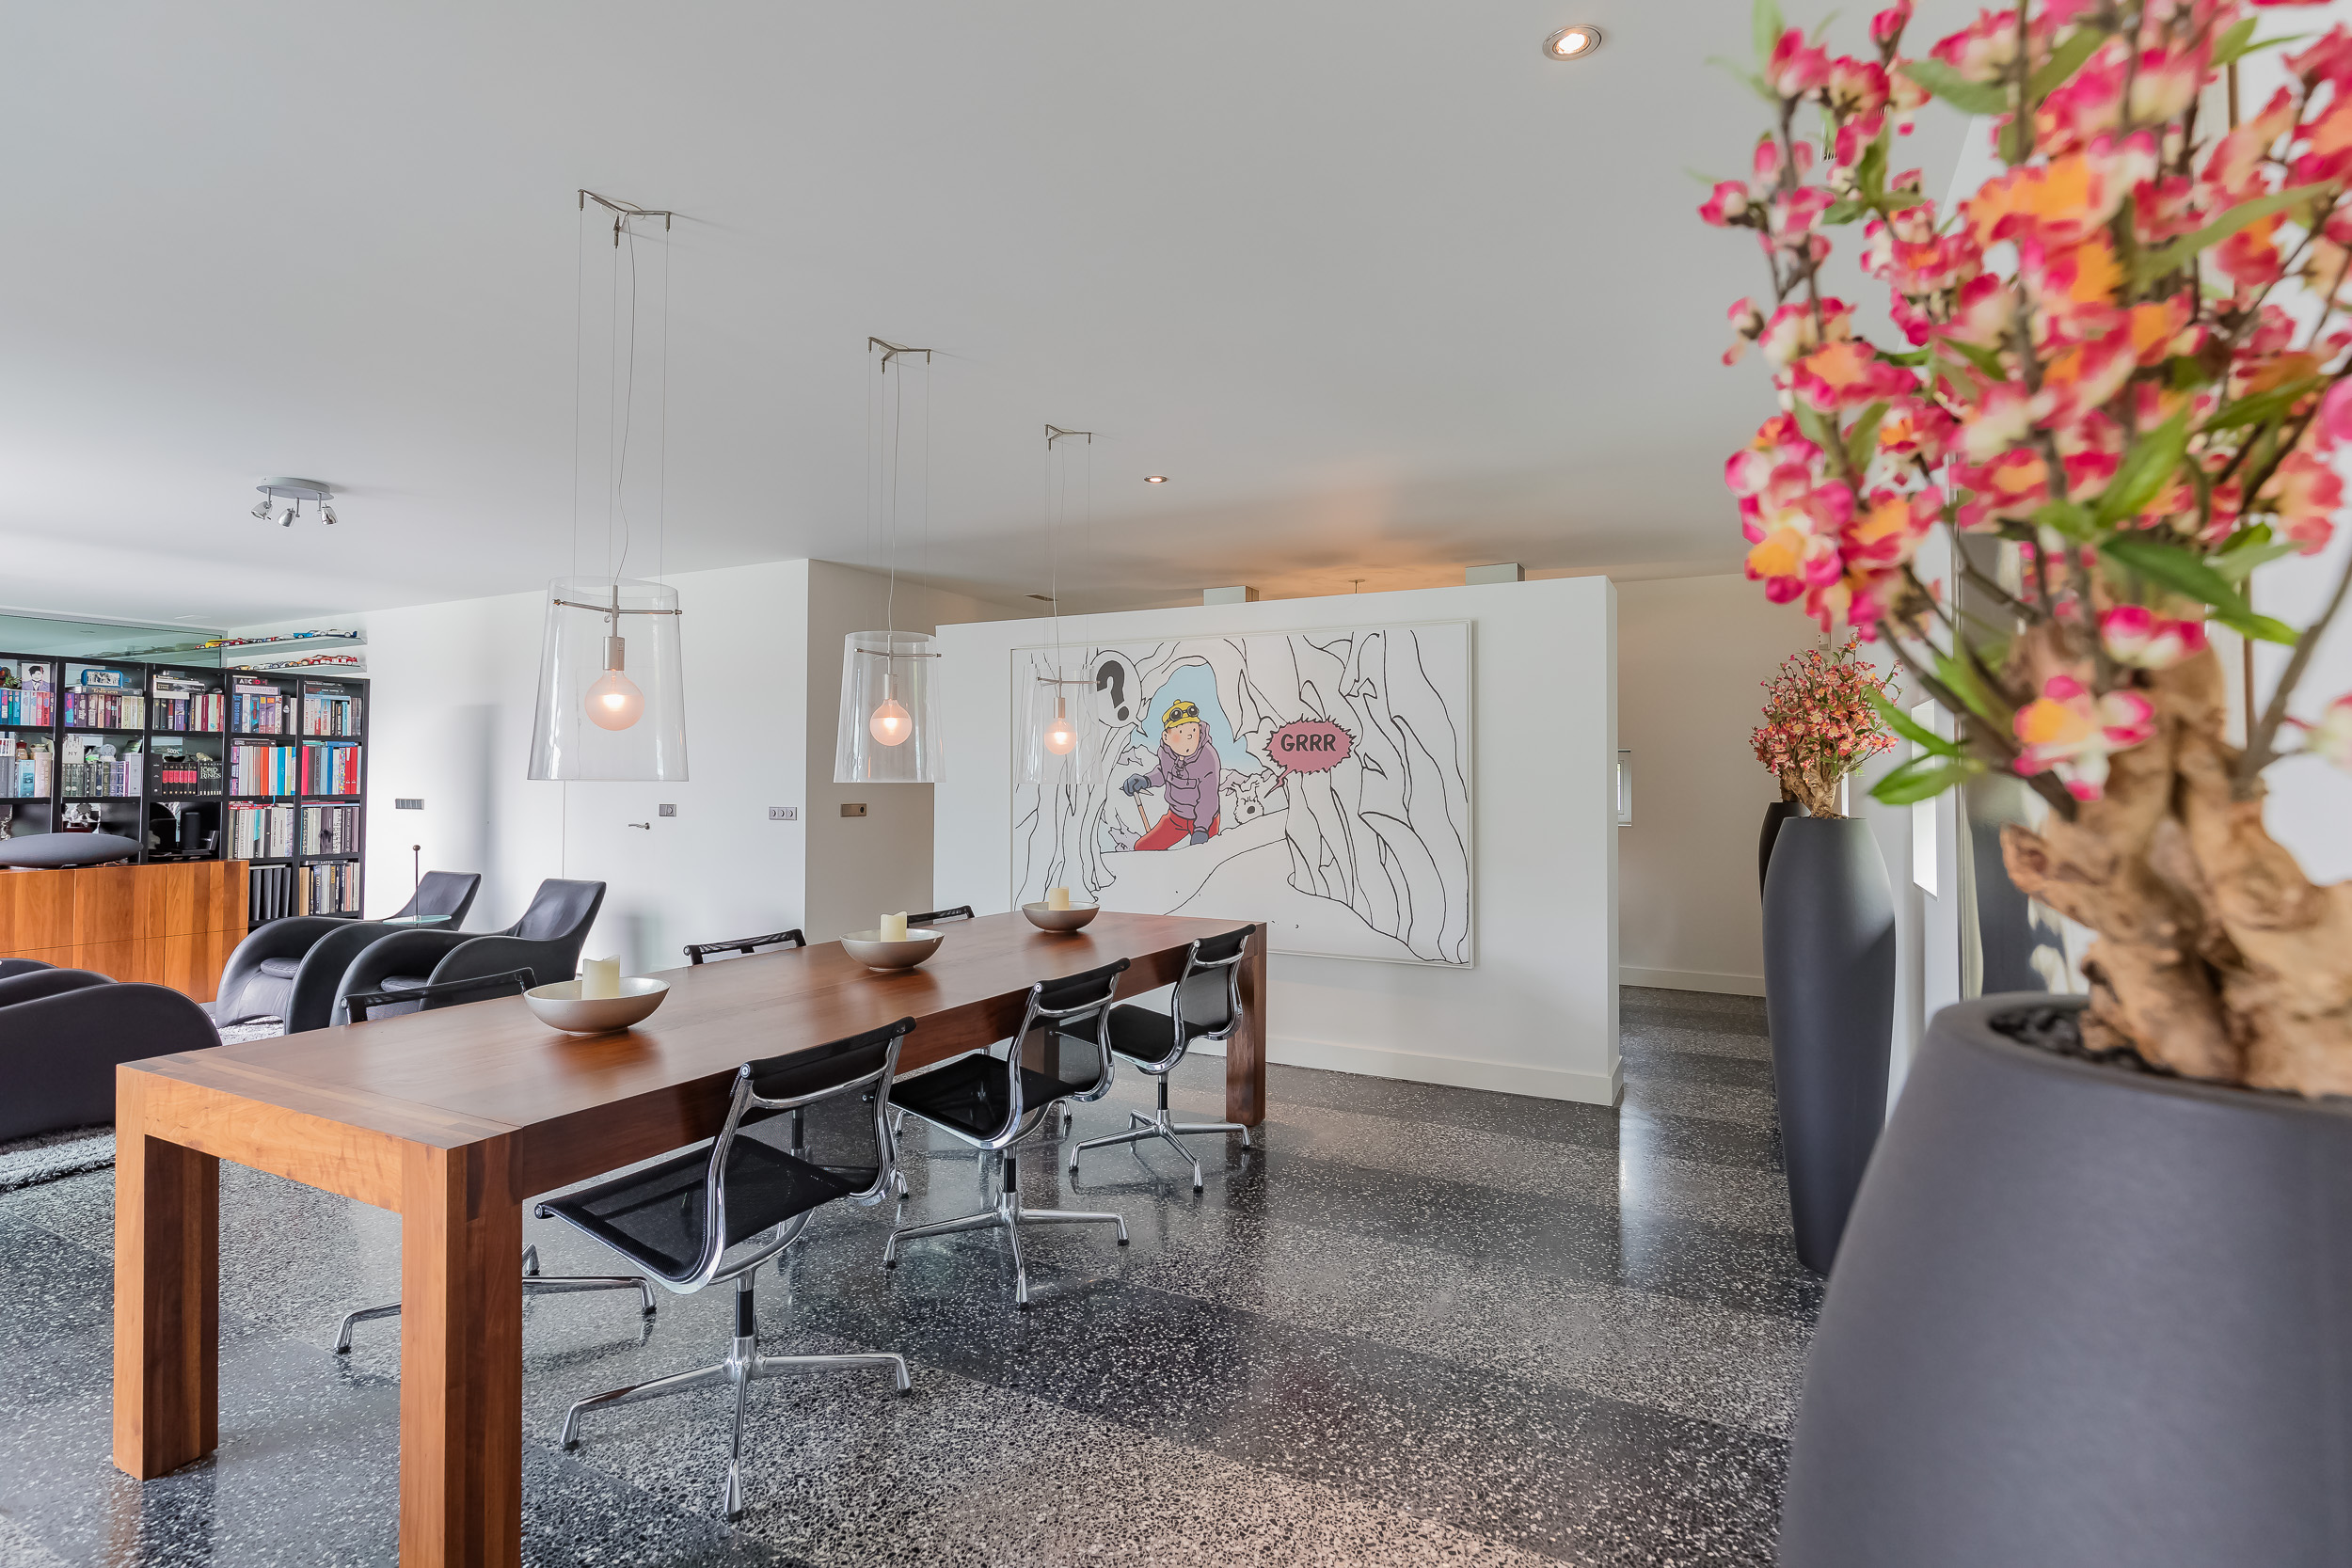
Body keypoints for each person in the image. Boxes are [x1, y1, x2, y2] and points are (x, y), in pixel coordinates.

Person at [1122, 699, 1221, 850]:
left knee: (1208, 856)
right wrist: (1146, 780)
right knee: (1142, 849)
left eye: (1193, 731)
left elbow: (1208, 799)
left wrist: (1201, 829)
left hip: (1206, 821)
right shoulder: (1166, 752)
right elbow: (1164, 772)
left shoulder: (1208, 757)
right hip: (1177, 818)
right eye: (1181, 732)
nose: (1189, 738)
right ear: (1166, 737)